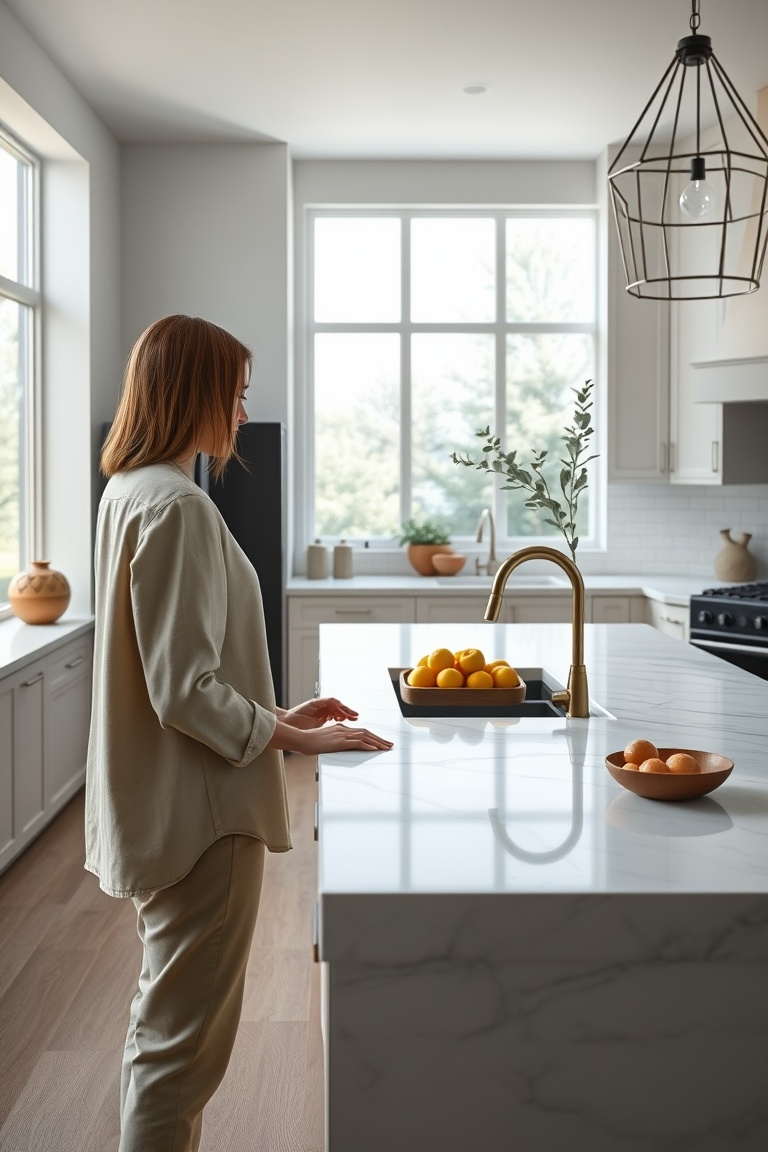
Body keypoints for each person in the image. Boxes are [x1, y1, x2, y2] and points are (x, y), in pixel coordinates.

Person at [86, 314, 393, 1152]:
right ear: (195, 394)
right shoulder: (179, 507)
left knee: (163, 1033)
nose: (244, 410)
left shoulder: (130, 490)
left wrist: (284, 714)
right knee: (182, 1054)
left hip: (161, 803)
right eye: (236, 391)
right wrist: (295, 744)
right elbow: (184, 689)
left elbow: (175, 665)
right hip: (205, 818)